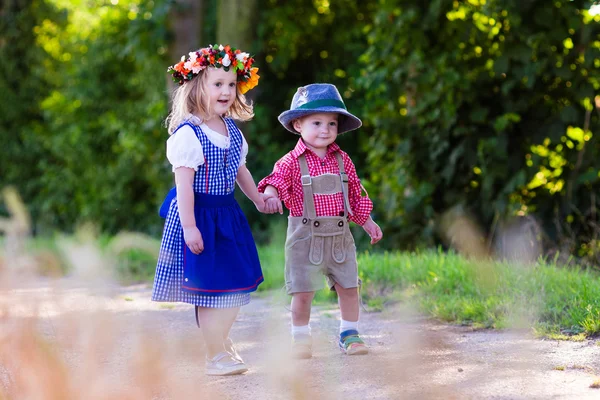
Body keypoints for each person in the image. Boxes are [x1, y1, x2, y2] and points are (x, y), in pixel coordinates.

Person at [152, 44, 270, 376]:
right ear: (196, 87)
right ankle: (214, 353)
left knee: (235, 282)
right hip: (199, 215)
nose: (226, 91)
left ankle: (219, 341)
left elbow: (240, 171)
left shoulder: (232, 130)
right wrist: (189, 227)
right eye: (217, 84)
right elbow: (184, 187)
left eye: (231, 85)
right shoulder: (188, 135)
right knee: (207, 288)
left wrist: (258, 198)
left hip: (227, 216)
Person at [258, 83, 383, 359]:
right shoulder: (290, 162)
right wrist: (270, 194)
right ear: (298, 124)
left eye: (332, 123)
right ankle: (300, 338)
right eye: (317, 122)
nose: (325, 130)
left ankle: (349, 334)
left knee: (349, 287)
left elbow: (354, 195)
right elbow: (275, 181)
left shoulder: (343, 160)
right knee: (303, 293)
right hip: (304, 240)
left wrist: (367, 222)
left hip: (340, 238)